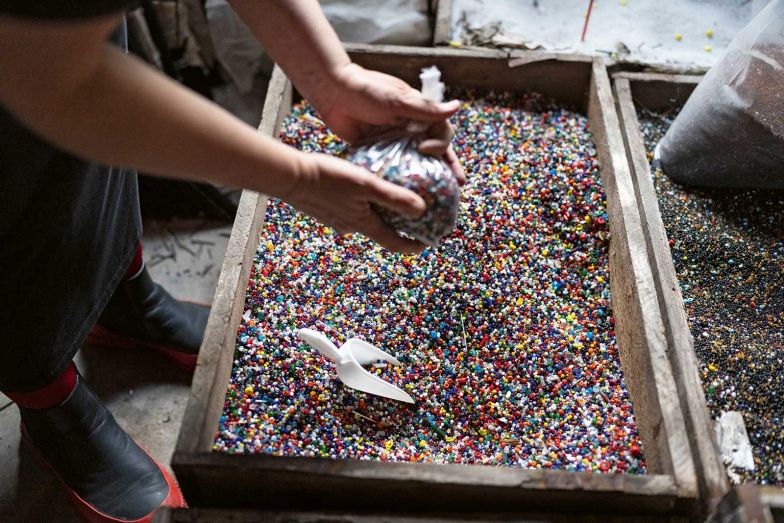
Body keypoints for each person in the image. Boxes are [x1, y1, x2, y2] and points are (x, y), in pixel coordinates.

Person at [0, 1, 464, 521]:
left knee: (88, 170)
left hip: (56, 34)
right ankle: (50, 400)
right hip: (23, 63)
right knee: (15, 208)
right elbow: (58, 82)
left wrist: (332, 76)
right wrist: (297, 179)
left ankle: (127, 305)